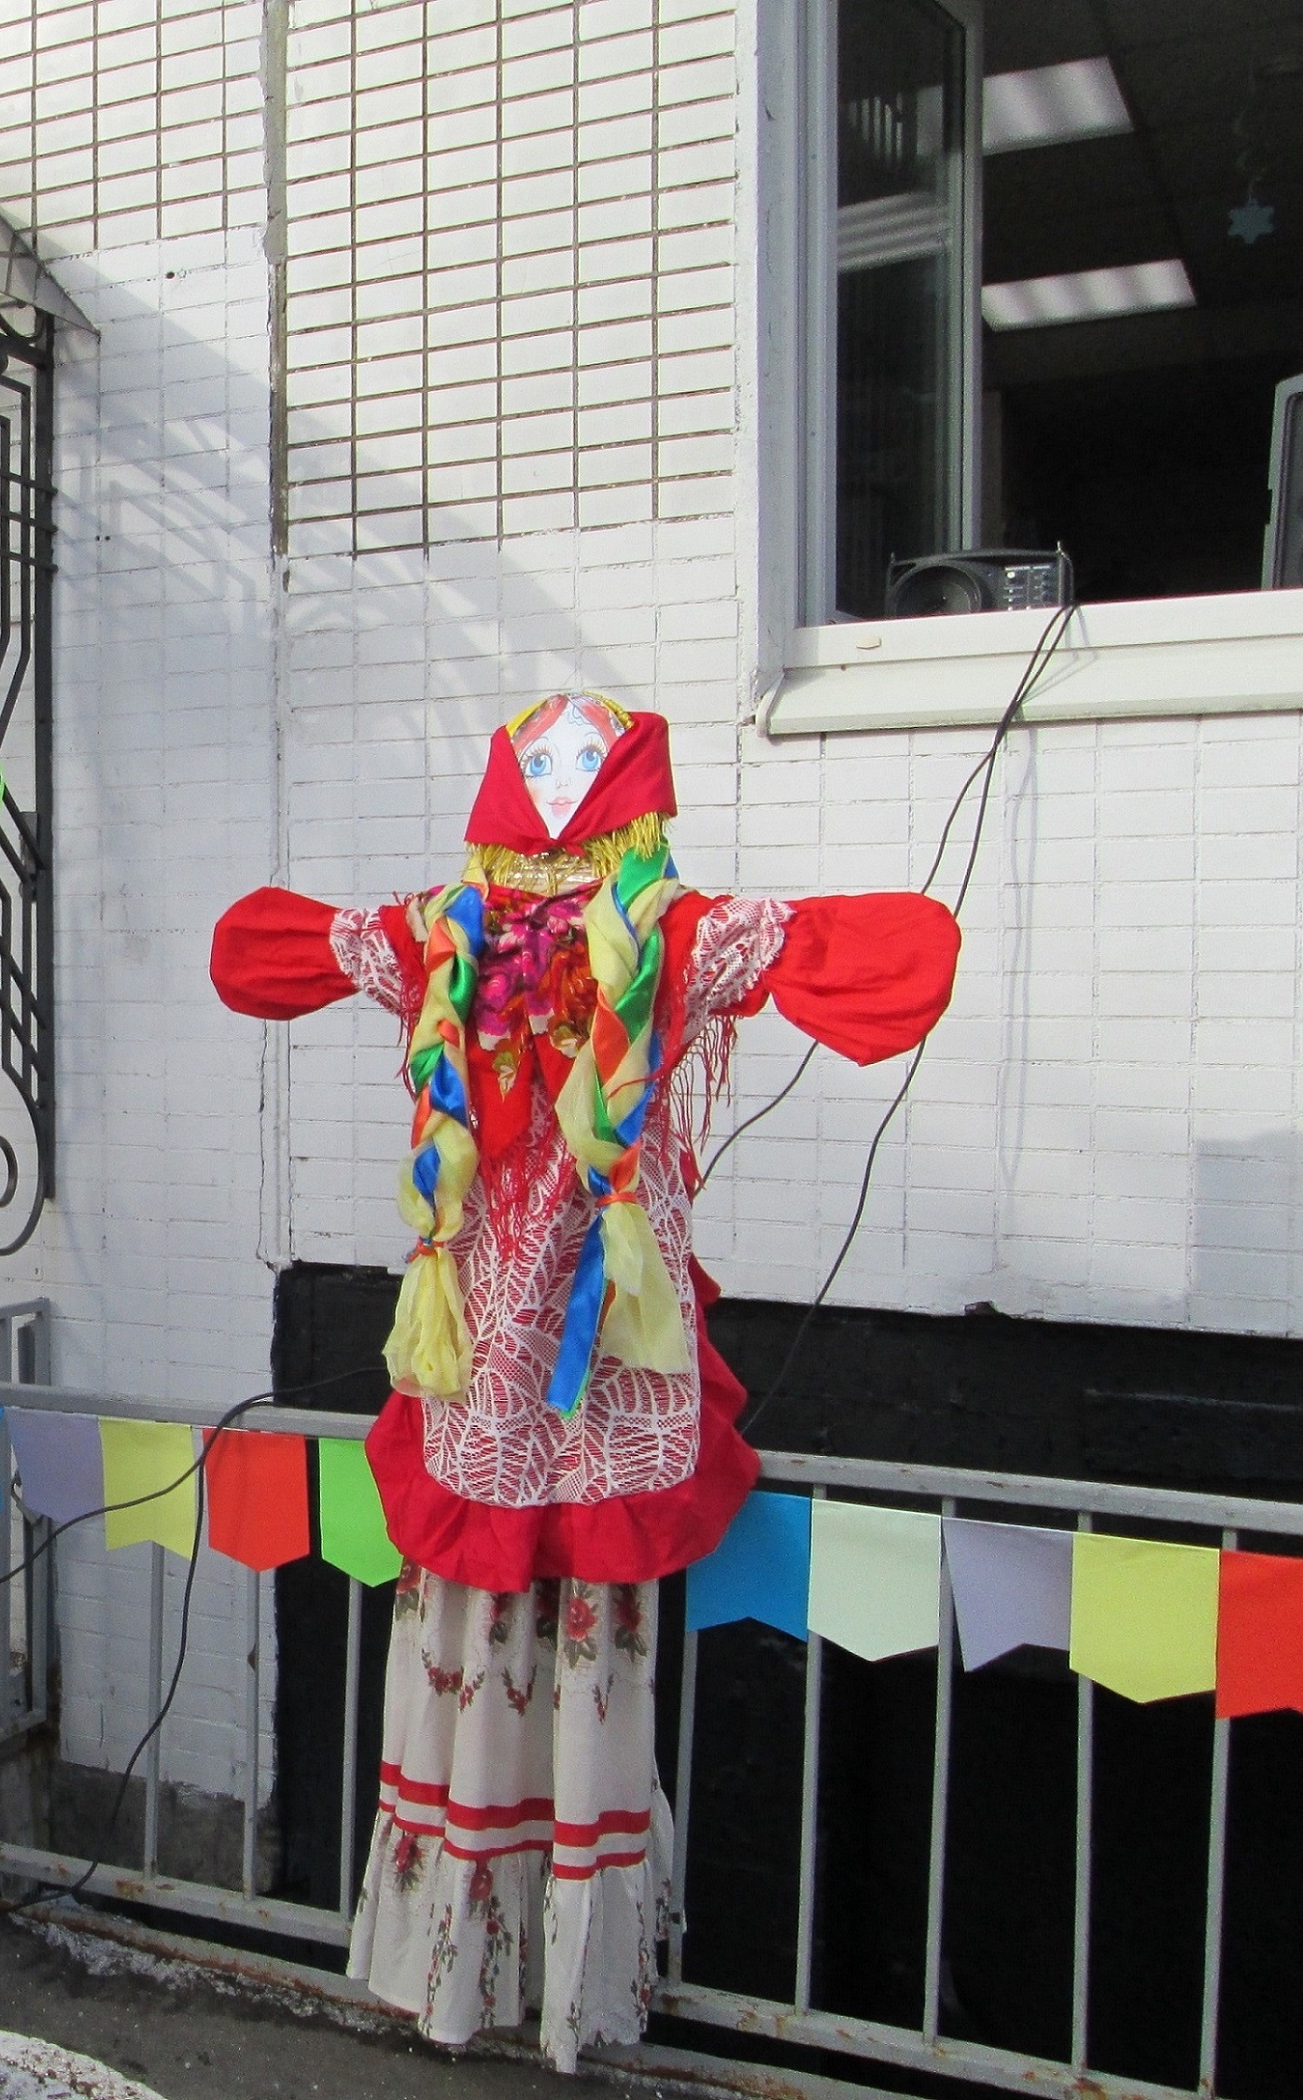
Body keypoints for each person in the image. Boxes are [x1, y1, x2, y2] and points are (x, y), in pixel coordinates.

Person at [210, 694, 960, 2070]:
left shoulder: (513, 934)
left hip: (548, 1370)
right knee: (565, 1667)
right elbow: (846, 954)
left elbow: (277, 948)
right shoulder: (636, 935)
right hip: (530, 1369)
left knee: (505, 1659)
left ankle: (477, 1974)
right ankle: (538, 1982)